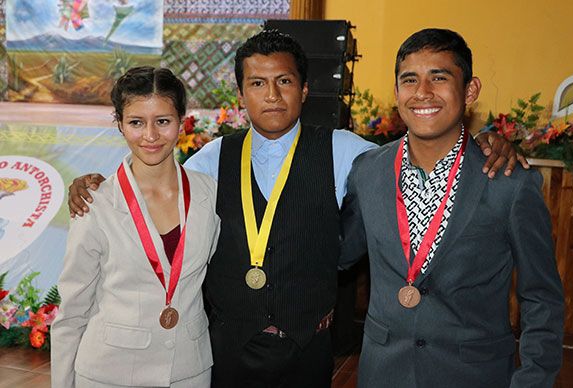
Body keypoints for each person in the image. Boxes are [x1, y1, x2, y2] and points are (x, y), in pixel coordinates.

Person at [66, 30, 526, 388]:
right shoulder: (207, 160)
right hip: (225, 348)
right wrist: (92, 184)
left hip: (307, 347)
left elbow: (421, 158)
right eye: (258, 83)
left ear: (304, 90)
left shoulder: (348, 152)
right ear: (241, 93)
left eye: (284, 81)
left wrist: (483, 143)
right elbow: (150, 178)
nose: (271, 95)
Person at [339, 28, 564, 388]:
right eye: (409, 80)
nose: (422, 93)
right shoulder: (368, 171)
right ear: (396, 92)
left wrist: (533, 381)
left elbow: (542, 298)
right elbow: (338, 252)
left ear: (470, 90)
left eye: (439, 78)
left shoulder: (509, 182)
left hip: (473, 375)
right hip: (383, 373)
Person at [52, 67, 220, 388]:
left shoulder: (209, 194)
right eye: (136, 122)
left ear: (183, 121)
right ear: (119, 124)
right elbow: (73, 311)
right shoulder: (95, 202)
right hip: (109, 373)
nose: (150, 136)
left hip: (189, 369)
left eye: (163, 121)